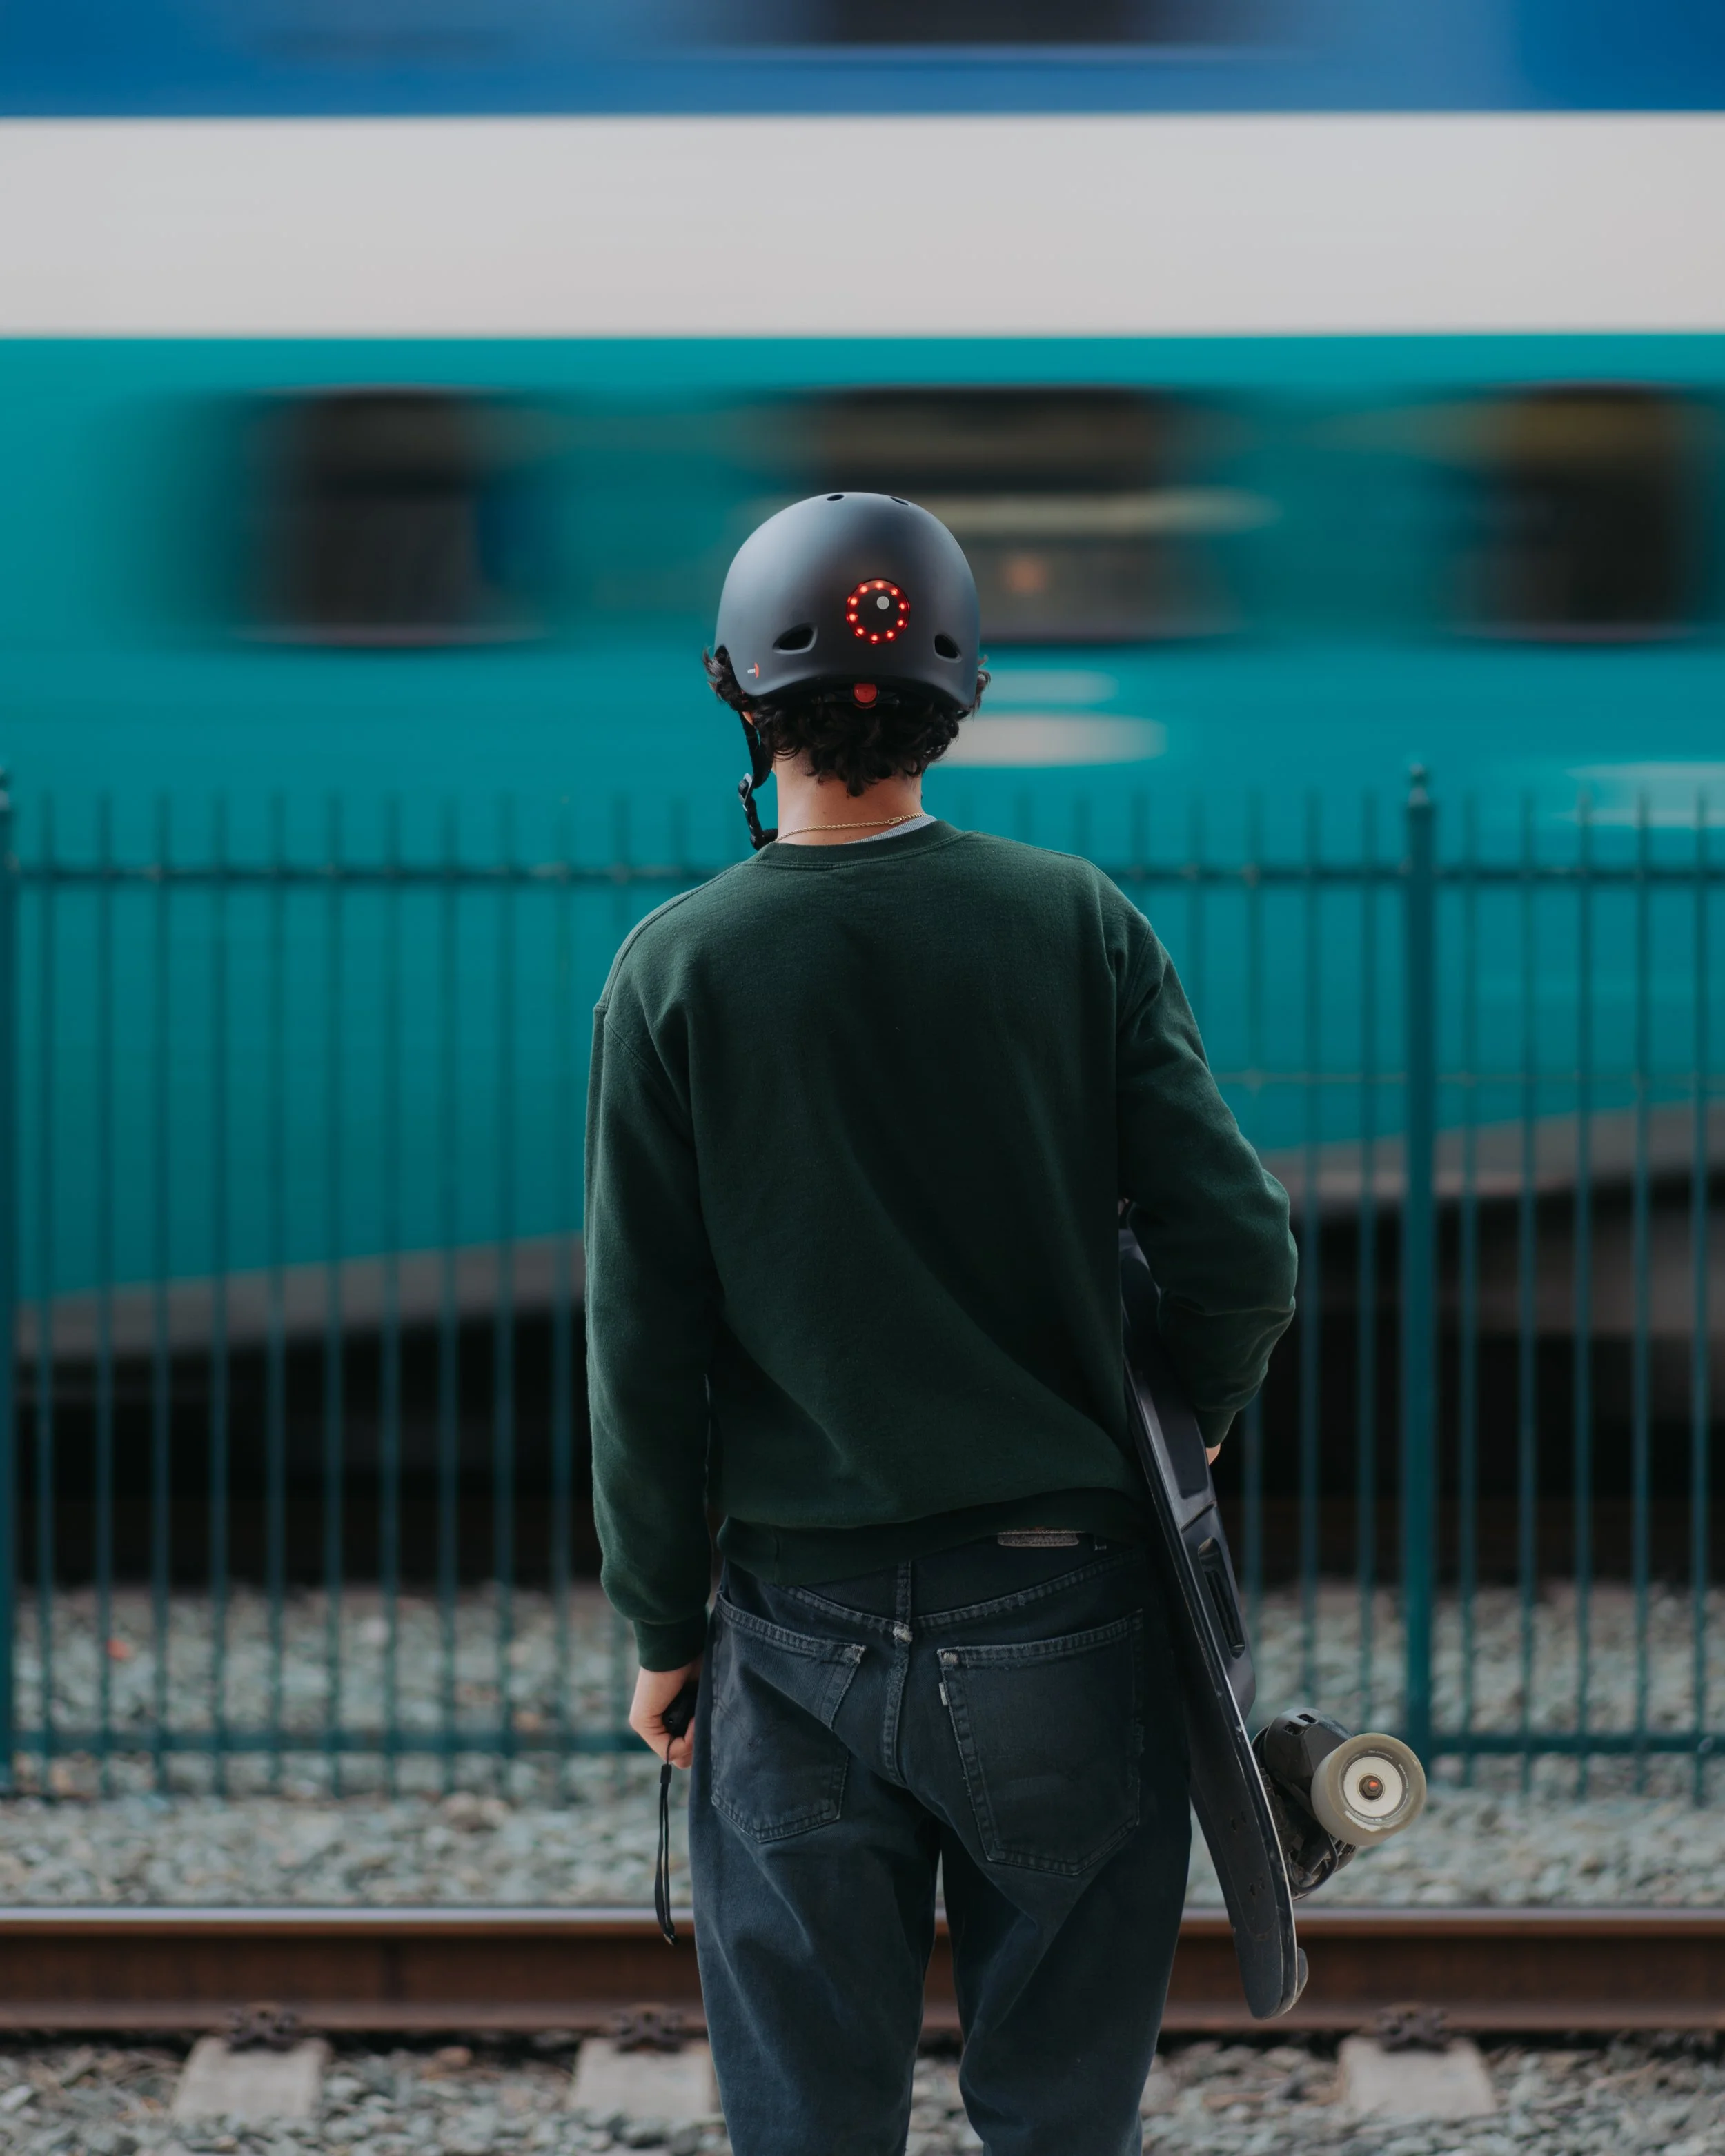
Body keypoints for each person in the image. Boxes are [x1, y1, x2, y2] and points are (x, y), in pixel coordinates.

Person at [585, 492, 1296, 2156]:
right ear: (955, 696)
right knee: (1056, 2113)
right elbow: (1241, 1255)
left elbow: (641, 1340)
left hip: (796, 1619)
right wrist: (1180, 1429)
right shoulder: (1074, 923)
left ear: (736, 699)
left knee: (809, 2119)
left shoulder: (672, 969)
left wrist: (659, 1623)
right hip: (1065, 1604)